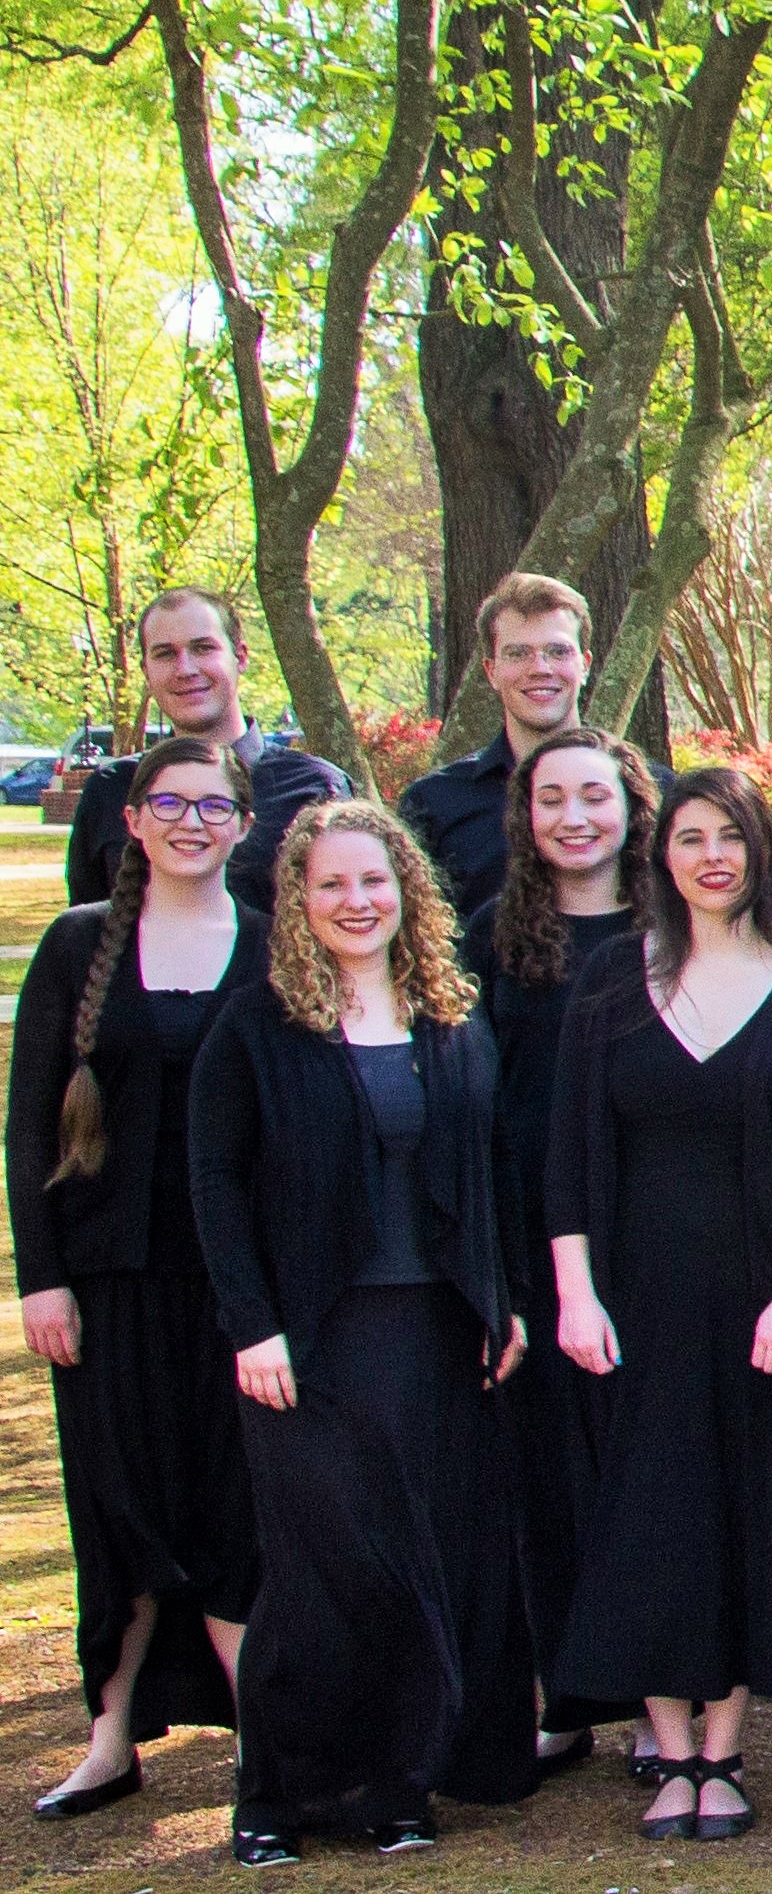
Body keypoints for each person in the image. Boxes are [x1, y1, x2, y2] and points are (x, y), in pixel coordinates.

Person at [542, 769, 772, 1838]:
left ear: (760, 853)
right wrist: (574, 1295)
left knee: (751, 1513)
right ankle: (666, 1749)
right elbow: (568, 1151)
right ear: (662, 856)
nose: (710, 855)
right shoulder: (613, 980)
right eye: (689, 837)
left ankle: (723, 1752)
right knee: (649, 1518)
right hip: (634, 1297)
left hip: (765, 1299)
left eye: (730, 837)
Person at [186, 802, 540, 1863]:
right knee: (321, 1569)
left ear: (408, 892)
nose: (356, 902)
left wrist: (502, 1296)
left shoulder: (451, 1015)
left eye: (374, 882)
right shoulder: (257, 1025)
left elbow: (490, 1174)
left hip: (437, 1332)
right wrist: (252, 1325)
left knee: (422, 1562)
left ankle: (399, 1788)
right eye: (332, 885)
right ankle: (275, 1800)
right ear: (298, 900)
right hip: (309, 1342)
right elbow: (213, 1180)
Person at [15, 737, 261, 1819]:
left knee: (234, 1504)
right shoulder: (78, 949)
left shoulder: (270, 947)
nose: (192, 823)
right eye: (171, 804)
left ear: (245, 826)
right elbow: (30, 1132)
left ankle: (269, 1733)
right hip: (109, 1281)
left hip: (235, 1282)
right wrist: (43, 1279)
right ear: (134, 820)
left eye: (214, 807)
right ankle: (112, 1737)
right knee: (118, 1499)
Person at [461, 728, 659, 1776]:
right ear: (525, 817)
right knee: (545, 1476)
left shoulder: (672, 927)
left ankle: (648, 1699)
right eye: (551, 800)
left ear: (632, 808)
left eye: (595, 796)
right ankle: (567, 1694)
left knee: (637, 1470)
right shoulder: (498, 935)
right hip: (531, 1240)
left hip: (651, 1235)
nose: (573, 817)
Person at [62, 590, 348, 915]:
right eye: (165, 654)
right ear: (145, 670)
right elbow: (87, 939)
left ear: (240, 657)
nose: (185, 669)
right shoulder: (111, 791)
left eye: (203, 648)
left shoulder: (317, 788)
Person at [399, 573, 605, 913]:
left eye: (557, 651)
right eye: (518, 653)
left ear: (584, 665)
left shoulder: (646, 793)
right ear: (491, 671)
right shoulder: (435, 805)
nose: (540, 668)